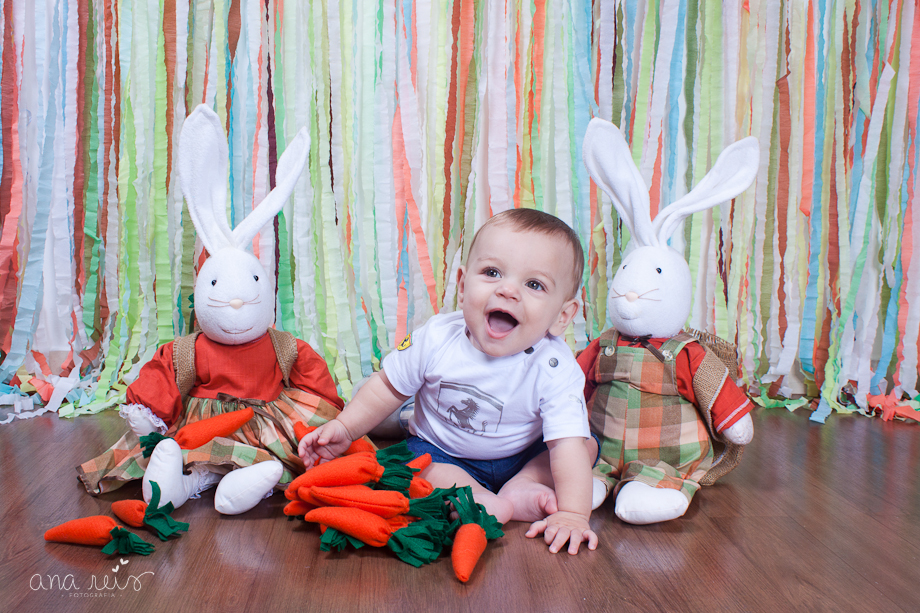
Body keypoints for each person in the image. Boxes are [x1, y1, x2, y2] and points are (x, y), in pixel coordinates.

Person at [299, 208, 598, 554]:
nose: (507, 290)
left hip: (519, 454)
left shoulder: (555, 366)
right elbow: (386, 388)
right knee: (409, 466)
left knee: (581, 446)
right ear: (461, 284)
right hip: (443, 453)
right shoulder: (437, 339)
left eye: (534, 284)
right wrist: (345, 428)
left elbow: (565, 446)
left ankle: (523, 485)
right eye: (492, 272)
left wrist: (575, 514)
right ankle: (486, 499)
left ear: (562, 316)